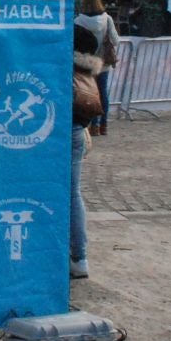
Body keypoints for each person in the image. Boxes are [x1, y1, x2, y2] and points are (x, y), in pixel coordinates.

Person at [69, 23, 101, 278]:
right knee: (72, 194)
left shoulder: (64, 67)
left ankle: (79, 256)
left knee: (70, 195)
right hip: (78, 131)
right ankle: (78, 256)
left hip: (66, 133)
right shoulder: (86, 71)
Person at [72, 0, 120, 135]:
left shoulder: (78, 21)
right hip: (102, 62)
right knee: (103, 93)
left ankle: (89, 125)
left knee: (86, 92)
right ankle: (102, 125)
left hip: (85, 62)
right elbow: (115, 40)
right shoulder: (107, 19)